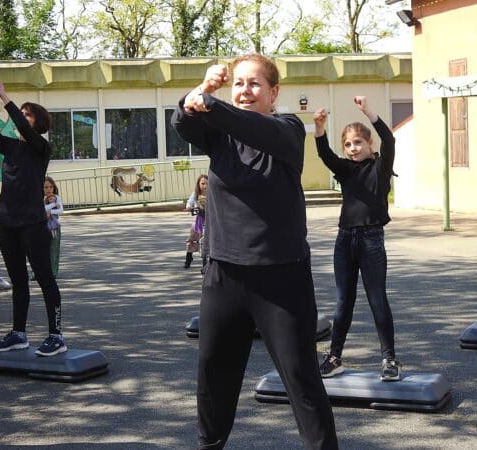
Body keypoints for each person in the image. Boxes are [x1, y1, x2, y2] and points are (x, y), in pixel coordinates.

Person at [171, 55, 338, 450]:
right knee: (214, 375)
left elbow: (250, 126)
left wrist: (211, 104)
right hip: (224, 275)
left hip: (281, 278)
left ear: (273, 92)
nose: (244, 91)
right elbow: (182, 121)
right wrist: (203, 89)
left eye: (254, 84)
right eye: (238, 83)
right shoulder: (220, 135)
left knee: (300, 377)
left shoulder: (288, 130)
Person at [0, 80, 67, 356]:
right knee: (18, 281)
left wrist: (3, 96)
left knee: (45, 279)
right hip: (7, 224)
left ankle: (56, 336)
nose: (23, 118)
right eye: (22, 113)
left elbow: (24, 128)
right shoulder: (11, 147)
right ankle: (18, 334)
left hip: (33, 225)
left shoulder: (41, 148)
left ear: (39, 123)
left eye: (28, 114)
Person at [313, 97, 402, 382]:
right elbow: (325, 154)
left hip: (371, 240)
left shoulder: (381, 168)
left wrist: (368, 111)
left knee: (377, 300)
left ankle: (389, 359)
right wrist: (319, 127)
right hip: (345, 240)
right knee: (343, 302)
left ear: (369, 143)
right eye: (348, 144)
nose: (353, 148)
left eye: (358, 143)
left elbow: (389, 140)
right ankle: (334, 357)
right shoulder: (345, 170)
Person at [184, 174, 208, 269]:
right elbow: (190, 202)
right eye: (203, 184)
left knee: (209, 238)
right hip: (199, 218)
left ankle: (207, 260)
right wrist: (189, 207)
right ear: (198, 184)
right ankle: (188, 257)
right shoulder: (195, 194)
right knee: (192, 238)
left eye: (207, 184)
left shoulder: (212, 193)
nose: (205, 186)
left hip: (210, 219)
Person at [44, 176, 63, 278]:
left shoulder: (56, 197)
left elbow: (61, 210)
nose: (49, 189)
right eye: (46, 187)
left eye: (51, 187)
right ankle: (37, 272)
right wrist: (53, 205)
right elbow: (42, 209)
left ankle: (53, 271)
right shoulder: (41, 198)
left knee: (54, 249)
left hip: (54, 227)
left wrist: (50, 211)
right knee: (41, 250)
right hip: (42, 227)